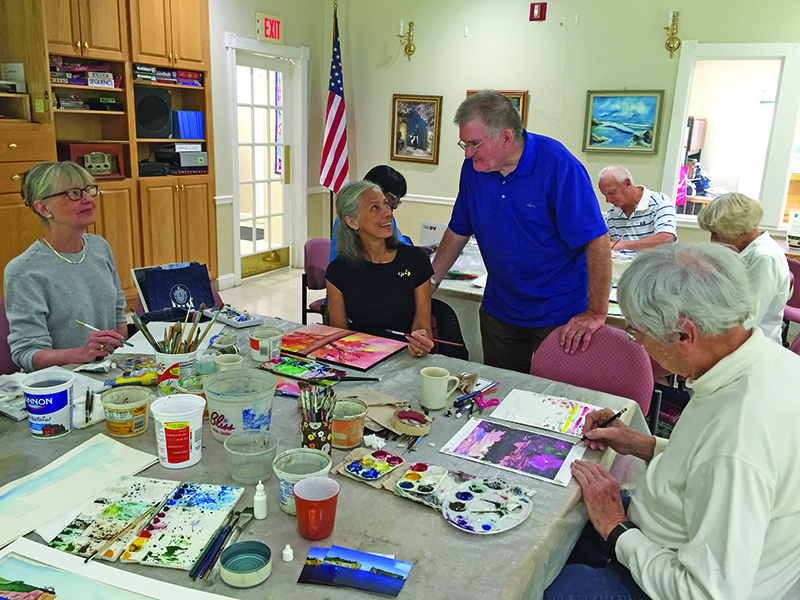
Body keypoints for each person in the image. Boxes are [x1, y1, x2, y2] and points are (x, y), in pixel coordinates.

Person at [545, 243, 800, 600]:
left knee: (555, 585)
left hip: (683, 580)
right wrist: (644, 444)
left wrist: (616, 530)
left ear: (685, 335)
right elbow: (706, 466)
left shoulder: (739, 438)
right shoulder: (767, 363)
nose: (640, 345)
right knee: (557, 517)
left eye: (638, 333)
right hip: (670, 532)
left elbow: (708, 593)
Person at [431, 90, 611, 372]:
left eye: (474, 144)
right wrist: (431, 282)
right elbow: (458, 229)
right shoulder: (474, 169)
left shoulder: (559, 166)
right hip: (500, 308)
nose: (467, 153)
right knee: (499, 391)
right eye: (464, 144)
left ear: (505, 137)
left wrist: (597, 311)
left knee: (553, 398)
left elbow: (596, 239)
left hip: (558, 312)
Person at [4, 161, 127, 372]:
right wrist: (80, 354)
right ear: (43, 208)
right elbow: (26, 354)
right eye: (73, 193)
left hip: (106, 371)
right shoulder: (23, 271)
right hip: (60, 384)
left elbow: (118, 313)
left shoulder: (99, 247)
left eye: (89, 189)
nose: (88, 199)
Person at [326, 180, 434, 358]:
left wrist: (421, 343)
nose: (388, 213)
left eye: (385, 204)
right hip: (358, 358)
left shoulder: (415, 261)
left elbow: (423, 326)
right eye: (375, 208)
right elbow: (340, 336)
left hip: (405, 358)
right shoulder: (338, 271)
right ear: (352, 221)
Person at [697, 192, 790, 344]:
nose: (713, 239)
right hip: (735, 336)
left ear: (739, 228)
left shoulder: (764, 258)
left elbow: (749, 320)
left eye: (717, 233)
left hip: (755, 345)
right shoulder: (743, 251)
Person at [329, 165, 412, 262]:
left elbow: (396, 245)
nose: (393, 207)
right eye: (393, 199)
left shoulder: (387, 217)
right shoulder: (351, 219)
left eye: (398, 201)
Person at [598, 165, 677, 253]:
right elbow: (603, 241)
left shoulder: (660, 202)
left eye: (611, 192)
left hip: (652, 265)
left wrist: (620, 246)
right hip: (621, 265)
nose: (608, 200)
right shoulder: (613, 211)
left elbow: (666, 239)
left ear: (627, 183)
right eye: (605, 195)